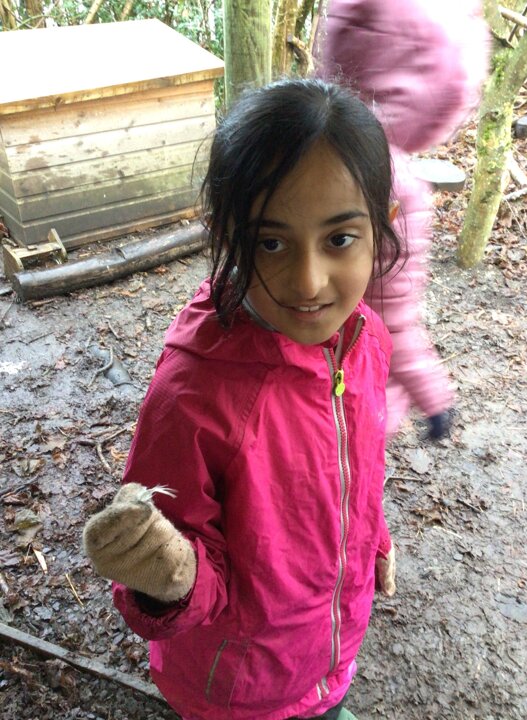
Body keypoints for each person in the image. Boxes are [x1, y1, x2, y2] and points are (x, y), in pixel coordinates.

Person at [82, 78, 404, 720]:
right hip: (237, 689)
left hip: (329, 653)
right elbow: (174, 562)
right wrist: (168, 575)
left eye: (339, 239)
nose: (309, 282)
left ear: (381, 225)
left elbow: (358, 468)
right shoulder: (192, 396)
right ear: (226, 233)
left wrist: (373, 541)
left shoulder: (365, 339)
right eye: (270, 242)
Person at [317, 0, 490, 438]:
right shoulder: (390, 179)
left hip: (289, 378)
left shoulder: (304, 140)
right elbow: (388, 318)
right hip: (346, 389)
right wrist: (434, 395)